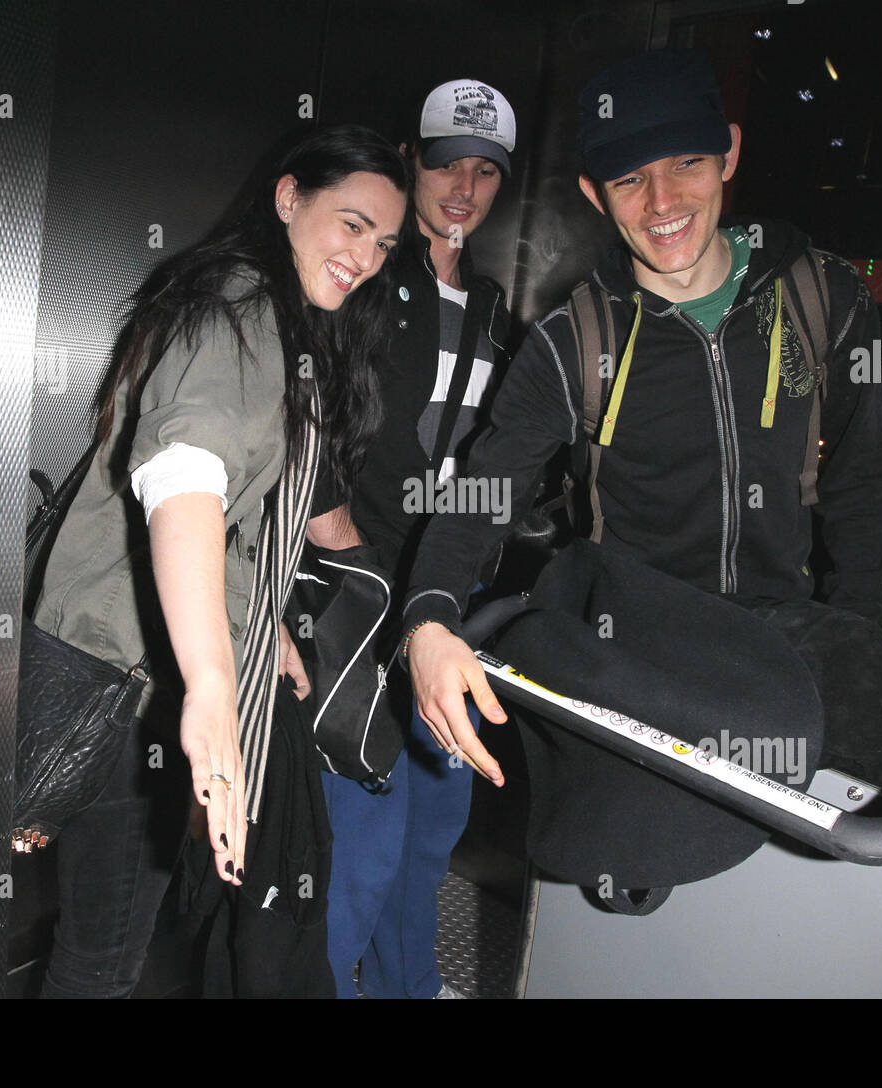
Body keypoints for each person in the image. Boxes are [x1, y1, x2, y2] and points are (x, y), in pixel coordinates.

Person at [399, 49, 882, 795]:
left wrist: (853, 635)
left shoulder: (823, 297)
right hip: (640, 671)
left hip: (777, 659)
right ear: (596, 194)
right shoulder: (572, 342)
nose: (662, 203)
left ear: (729, 153)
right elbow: (482, 495)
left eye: (686, 162)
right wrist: (428, 621)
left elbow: (861, 478)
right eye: (630, 179)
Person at [29, 125, 408, 997]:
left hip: (134, 661)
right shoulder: (241, 302)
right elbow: (186, 476)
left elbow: (235, 518)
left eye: (383, 242)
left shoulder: (273, 318)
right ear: (288, 198)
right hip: (128, 676)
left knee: (107, 939)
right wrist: (207, 682)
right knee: (100, 956)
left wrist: (258, 620)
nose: (367, 257)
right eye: (351, 224)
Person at [305, 79, 516, 998]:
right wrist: (342, 553)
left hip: (446, 607)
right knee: (363, 845)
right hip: (361, 598)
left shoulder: (498, 308)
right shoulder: (367, 281)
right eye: (444, 163)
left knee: (433, 830)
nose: (462, 186)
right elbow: (299, 409)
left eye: (485, 170)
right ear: (409, 159)